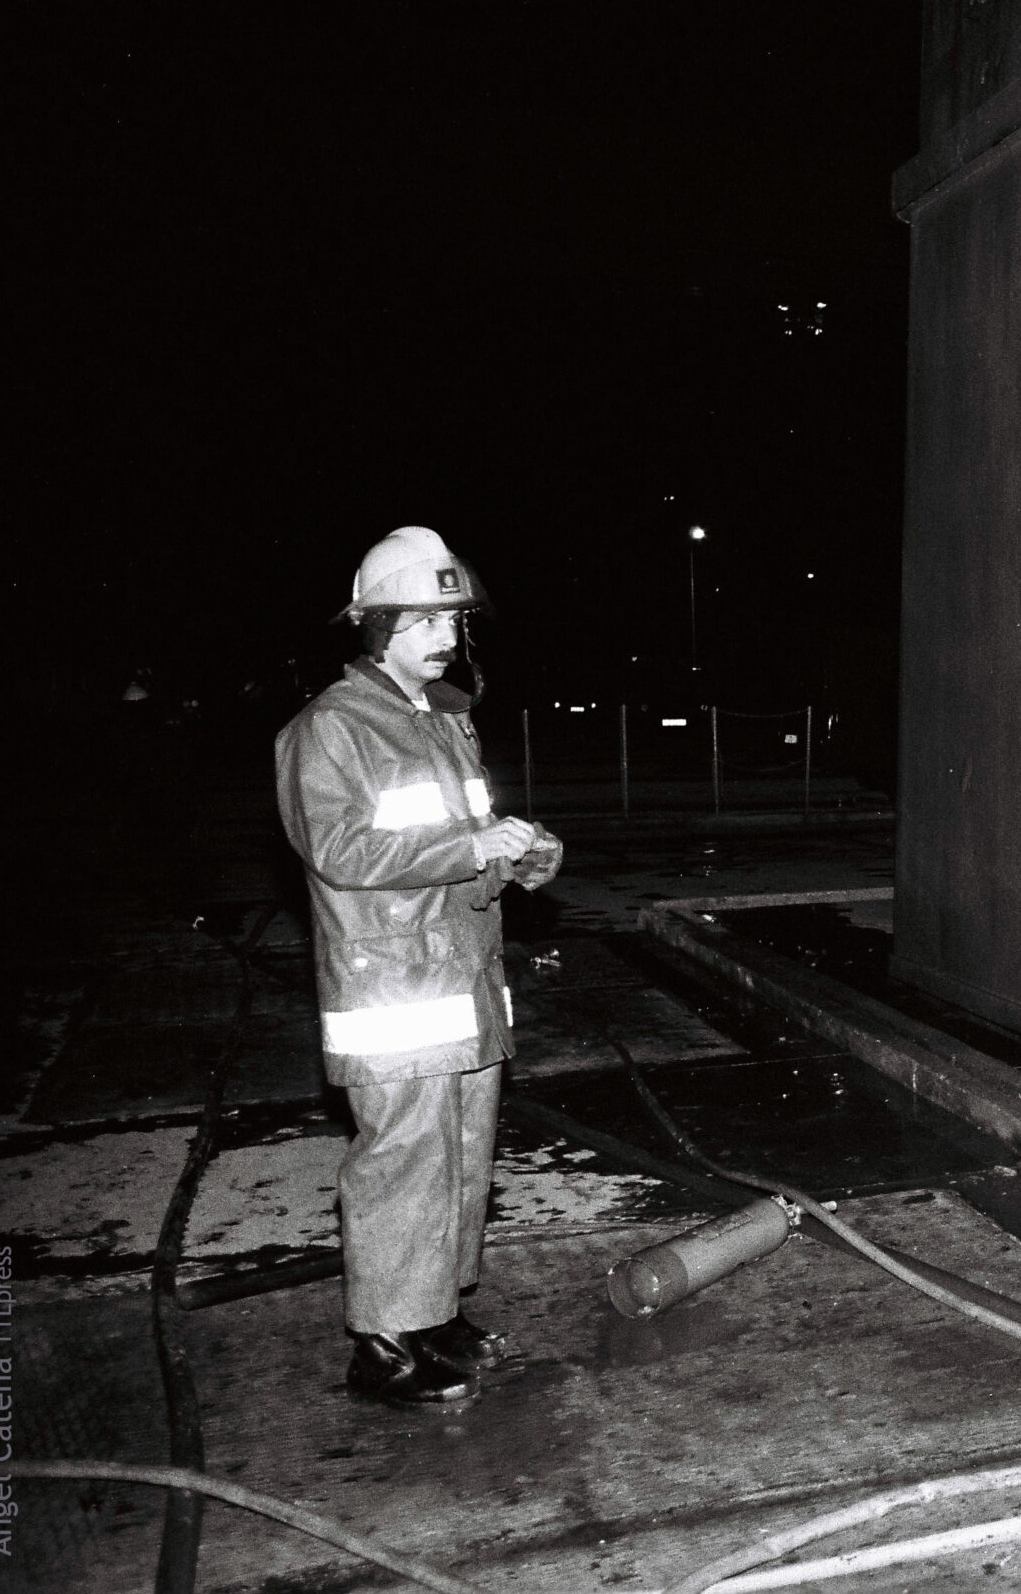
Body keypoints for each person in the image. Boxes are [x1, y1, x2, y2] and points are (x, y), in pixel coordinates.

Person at [275, 527, 562, 1407]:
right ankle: (386, 1346)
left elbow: (464, 832)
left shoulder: (442, 716)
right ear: (377, 624)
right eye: (429, 619)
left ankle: (434, 1312)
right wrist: (469, 843)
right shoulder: (331, 727)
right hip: (395, 986)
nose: (447, 635)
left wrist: (523, 852)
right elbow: (342, 847)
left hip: (462, 977)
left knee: (462, 1151)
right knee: (403, 1156)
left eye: (453, 618)